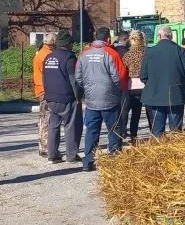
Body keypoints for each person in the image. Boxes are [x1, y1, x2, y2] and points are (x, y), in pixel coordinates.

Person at [76, 28, 129, 171]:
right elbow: (118, 76)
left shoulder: (84, 54)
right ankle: (114, 159)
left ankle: (88, 161)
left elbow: (78, 77)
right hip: (110, 98)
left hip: (91, 99)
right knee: (113, 129)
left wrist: (87, 88)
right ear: (108, 39)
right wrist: (119, 90)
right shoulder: (111, 53)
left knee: (92, 131)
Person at [140, 25, 185, 136]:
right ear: (171, 36)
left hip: (155, 95)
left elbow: (143, 76)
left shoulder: (150, 52)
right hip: (175, 94)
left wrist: (153, 84)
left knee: (157, 132)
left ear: (159, 36)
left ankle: (157, 146)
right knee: (175, 132)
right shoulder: (180, 50)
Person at [43, 32, 82, 164]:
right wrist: (78, 96)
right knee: (70, 126)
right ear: (68, 44)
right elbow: (73, 79)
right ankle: (71, 155)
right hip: (66, 97)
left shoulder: (48, 57)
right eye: (71, 43)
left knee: (53, 126)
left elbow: (45, 77)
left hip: (51, 97)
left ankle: (52, 155)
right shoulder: (69, 57)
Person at [33, 32, 56, 157]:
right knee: (47, 120)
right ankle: (46, 148)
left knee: (43, 120)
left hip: (40, 89)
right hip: (46, 90)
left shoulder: (40, 53)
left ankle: (42, 147)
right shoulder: (47, 55)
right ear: (53, 43)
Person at [121, 31, 147, 141]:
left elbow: (123, 70)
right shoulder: (146, 53)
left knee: (132, 113)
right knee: (145, 113)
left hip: (131, 86)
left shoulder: (127, 55)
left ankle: (132, 136)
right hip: (144, 85)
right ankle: (154, 134)